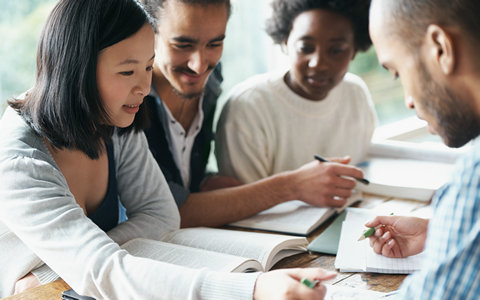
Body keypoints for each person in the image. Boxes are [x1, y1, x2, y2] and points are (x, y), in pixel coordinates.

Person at [0, 0, 337, 298]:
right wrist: (253, 289)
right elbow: (103, 270)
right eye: (128, 71)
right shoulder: (19, 162)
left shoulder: (113, 118)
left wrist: (67, 266)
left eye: (148, 66)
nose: (144, 86)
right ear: (78, 70)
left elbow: (161, 216)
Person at [140, 0, 368, 229]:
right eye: (182, 45)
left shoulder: (209, 80)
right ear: (148, 32)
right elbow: (165, 211)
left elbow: (173, 175)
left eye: (214, 43)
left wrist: (203, 181)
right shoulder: (130, 101)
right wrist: (293, 185)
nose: (199, 65)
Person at [365, 0, 480, 298]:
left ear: (441, 48)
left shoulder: (475, 177)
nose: (408, 101)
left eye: (397, 72)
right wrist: (443, 233)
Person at [216, 0, 376, 189]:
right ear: (285, 43)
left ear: (354, 51)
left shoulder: (355, 94)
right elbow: (243, 204)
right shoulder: (248, 107)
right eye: (305, 48)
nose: (318, 63)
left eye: (336, 51)